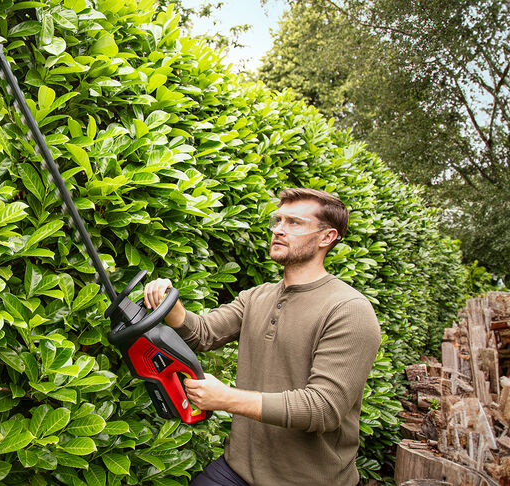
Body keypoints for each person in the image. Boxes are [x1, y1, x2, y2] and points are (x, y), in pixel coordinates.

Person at [143, 188, 381, 486]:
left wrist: (227, 399)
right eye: (277, 221)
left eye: (294, 223)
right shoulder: (257, 296)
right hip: (237, 468)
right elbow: (202, 334)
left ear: (326, 237)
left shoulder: (349, 310)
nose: (279, 230)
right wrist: (171, 305)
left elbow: (324, 409)